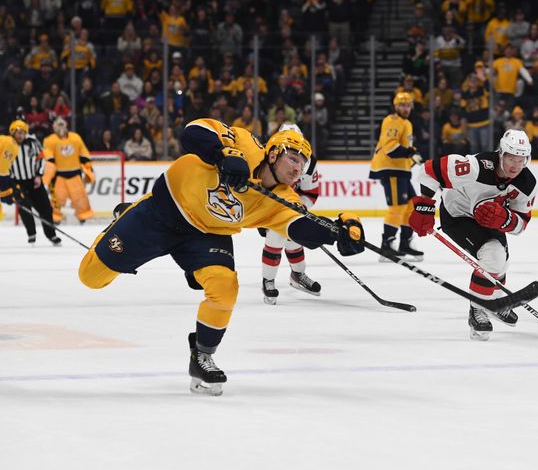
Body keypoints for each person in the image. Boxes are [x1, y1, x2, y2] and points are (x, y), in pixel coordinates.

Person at [77, 119, 365, 396]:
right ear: (274, 152)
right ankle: (125, 217)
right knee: (90, 277)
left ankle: (202, 355)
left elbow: (301, 228)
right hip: (163, 211)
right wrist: (223, 154)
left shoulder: (284, 198)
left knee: (225, 288)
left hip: (207, 234)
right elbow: (193, 131)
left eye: (303, 164)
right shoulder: (246, 144)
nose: (298, 168)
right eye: (294, 158)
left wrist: (338, 232)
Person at [408, 129, 537, 341]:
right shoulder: (475, 167)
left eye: (521, 159)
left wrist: (505, 219)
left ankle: (494, 301)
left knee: (499, 260)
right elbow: (430, 170)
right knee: (494, 256)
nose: (515, 165)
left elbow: (521, 223)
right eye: (511, 158)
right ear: (501, 154)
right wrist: (424, 207)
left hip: (488, 216)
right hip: (458, 213)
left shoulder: (527, 184)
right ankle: (478, 308)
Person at [260, 124, 322, 305]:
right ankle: (268, 280)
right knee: (275, 240)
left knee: (295, 239)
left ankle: (298, 275)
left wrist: (299, 207)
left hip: (292, 206)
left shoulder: (310, 163)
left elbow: (311, 192)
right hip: (270, 207)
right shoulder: (268, 155)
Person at [369, 92, 425, 261]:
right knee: (397, 206)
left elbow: (401, 148)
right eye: (402, 105)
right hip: (390, 169)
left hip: (401, 170)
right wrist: (410, 153)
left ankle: (405, 243)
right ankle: (386, 246)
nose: (405, 108)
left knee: (411, 206)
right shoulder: (392, 121)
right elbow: (390, 148)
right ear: (395, 106)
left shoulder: (406, 123)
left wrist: (412, 155)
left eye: (408, 105)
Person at [7, 120, 61, 245]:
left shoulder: (32, 143)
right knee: (25, 209)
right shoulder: (8, 145)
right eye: (17, 132)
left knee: (46, 208)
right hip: (17, 182)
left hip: (34, 181)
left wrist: (38, 175)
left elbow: (41, 159)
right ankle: (31, 233)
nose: (20, 135)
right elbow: (4, 165)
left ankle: (51, 235)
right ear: (12, 133)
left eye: (22, 132)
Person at [42, 117, 95, 224]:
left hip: (75, 173)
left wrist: (87, 165)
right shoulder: (49, 140)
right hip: (59, 175)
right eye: (58, 125)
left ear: (66, 126)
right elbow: (49, 157)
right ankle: (55, 217)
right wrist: (48, 175)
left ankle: (82, 216)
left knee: (80, 197)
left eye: (62, 124)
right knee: (57, 198)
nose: (61, 127)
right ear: (54, 127)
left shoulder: (75, 137)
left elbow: (83, 152)